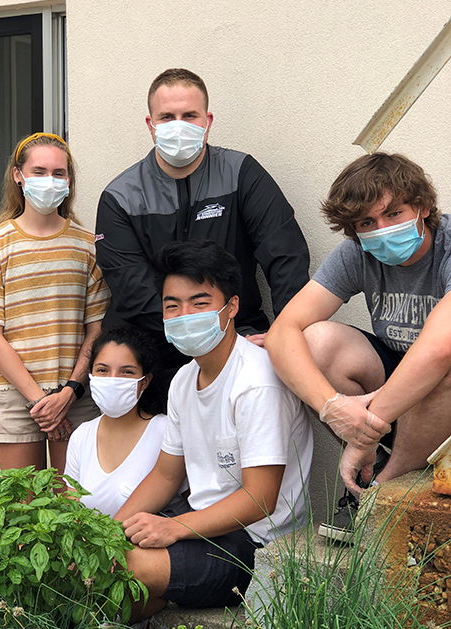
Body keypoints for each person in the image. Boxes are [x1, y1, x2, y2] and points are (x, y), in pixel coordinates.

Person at [113, 240, 313, 620]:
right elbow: (165, 473)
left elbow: (260, 500)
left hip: (255, 543)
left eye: (200, 303)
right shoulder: (184, 379)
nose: (184, 314)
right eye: (172, 305)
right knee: (103, 567)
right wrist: (104, 530)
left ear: (232, 306)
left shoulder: (257, 380)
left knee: (127, 567)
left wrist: (173, 529)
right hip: (199, 523)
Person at [264, 152, 451, 539]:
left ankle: (382, 486)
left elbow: (439, 349)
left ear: (424, 207)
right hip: (396, 393)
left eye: (394, 213)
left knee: (436, 365)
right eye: (368, 222)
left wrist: (361, 435)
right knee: (317, 341)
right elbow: (284, 332)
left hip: (438, 379)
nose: (381, 229)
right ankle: (373, 467)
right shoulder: (356, 254)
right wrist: (332, 410)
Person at [95, 68, 309, 374]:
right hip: (152, 344)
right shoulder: (120, 197)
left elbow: (286, 255)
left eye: (190, 115)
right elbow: (132, 291)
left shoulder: (242, 173)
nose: (178, 126)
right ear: (151, 124)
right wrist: (195, 332)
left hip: (238, 334)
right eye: (167, 117)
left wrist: (287, 331)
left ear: (207, 122)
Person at [0, 132, 110, 474]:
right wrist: (39, 400)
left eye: (58, 173)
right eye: (39, 171)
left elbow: (97, 331)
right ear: (18, 176)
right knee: (21, 508)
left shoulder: (87, 245)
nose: (49, 180)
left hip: (74, 397)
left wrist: (67, 394)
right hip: (16, 396)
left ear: (69, 180)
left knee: (73, 507)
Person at [64, 326, 177, 518]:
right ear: (90, 375)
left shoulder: (166, 431)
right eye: (102, 370)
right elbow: (72, 515)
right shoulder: (81, 436)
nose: (113, 380)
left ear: (144, 381)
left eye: (127, 372)